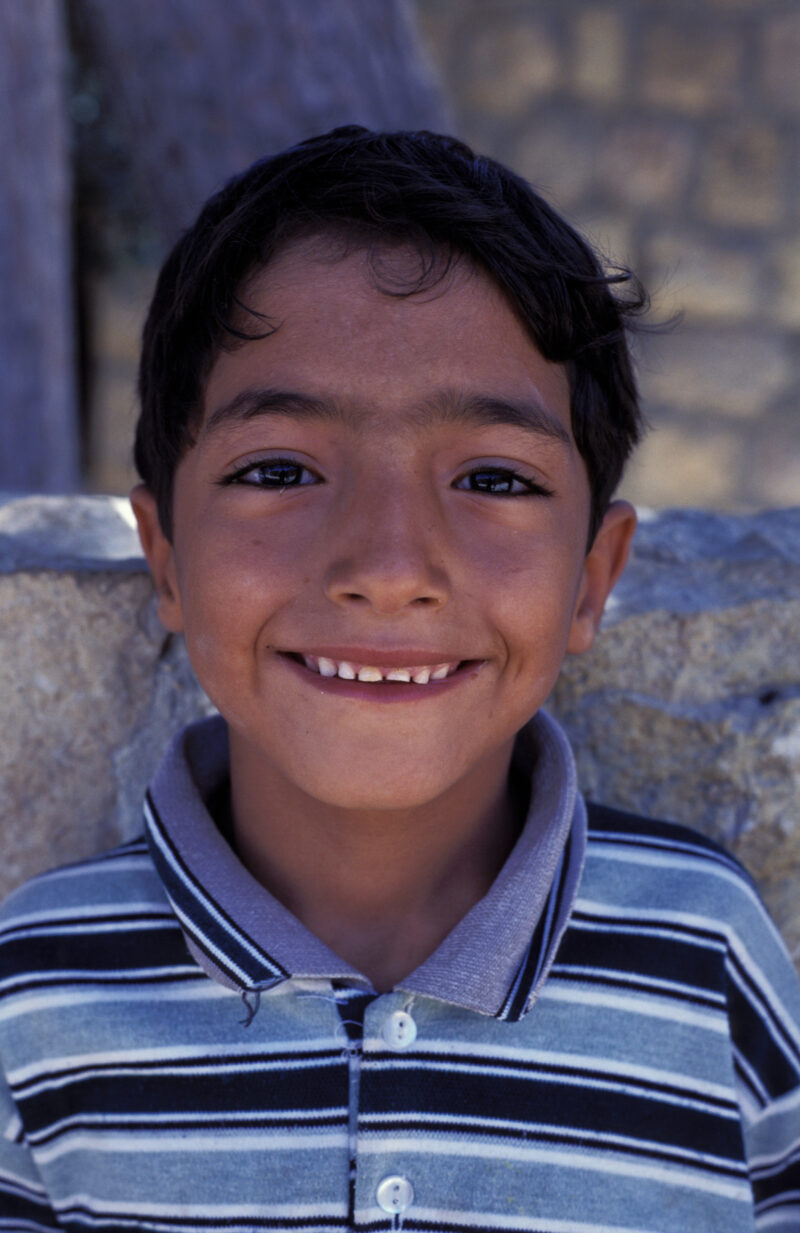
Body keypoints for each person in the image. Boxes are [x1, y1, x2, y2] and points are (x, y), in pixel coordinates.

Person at [0, 128, 798, 1233]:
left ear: (589, 581)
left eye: (489, 477)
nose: (384, 568)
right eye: (277, 470)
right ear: (167, 559)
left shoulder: (704, 954)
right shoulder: (37, 991)